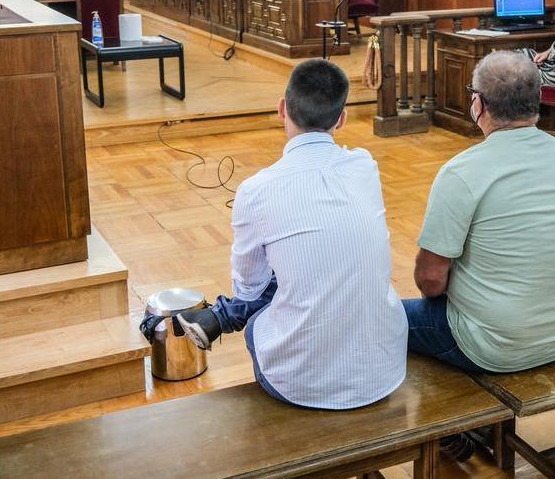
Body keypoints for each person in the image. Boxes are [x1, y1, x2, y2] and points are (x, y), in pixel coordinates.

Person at [174, 59, 407, 410]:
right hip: (383, 370)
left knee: (265, 300)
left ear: (282, 109)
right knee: (311, 262)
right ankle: (220, 317)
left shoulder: (256, 190)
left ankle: (222, 318)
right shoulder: (364, 165)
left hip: (299, 382)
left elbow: (248, 288)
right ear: (341, 119)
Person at [404, 50, 555, 458]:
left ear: (479, 105)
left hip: (492, 345)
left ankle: (446, 427)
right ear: (537, 101)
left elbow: (430, 281)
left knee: (383, 316)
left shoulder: (462, 171)